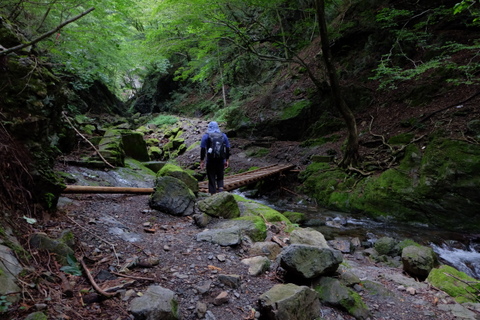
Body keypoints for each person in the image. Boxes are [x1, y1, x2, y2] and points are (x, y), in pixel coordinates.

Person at [200, 121, 230, 194]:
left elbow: (203, 149)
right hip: (221, 160)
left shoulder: (206, 136)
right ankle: (221, 191)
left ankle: (213, 194)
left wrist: (202, 161)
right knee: (220, 176)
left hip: (210, 160)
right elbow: (228, 148)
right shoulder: (223, 135)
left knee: (211, 177)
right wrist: (227, 160)